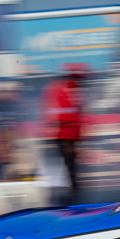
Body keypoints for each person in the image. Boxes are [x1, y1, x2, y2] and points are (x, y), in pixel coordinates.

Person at [40, 63, 88, 204]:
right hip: (62, 135)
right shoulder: (64, 89)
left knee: (67, 167)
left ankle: (69, 195)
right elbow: (56, 113)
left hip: (66, 135)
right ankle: (68, 197)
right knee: (66, 168)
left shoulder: (71, 89)